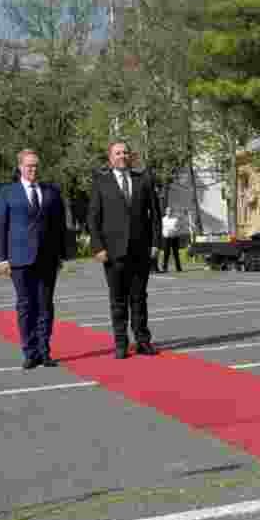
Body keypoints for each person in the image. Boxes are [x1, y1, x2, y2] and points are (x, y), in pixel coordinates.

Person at [0, 149, 69, 370]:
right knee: (26, 306)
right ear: (20, 168)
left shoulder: (51, 191)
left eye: (36, 166)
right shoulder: (8, 192)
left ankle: (45, 351)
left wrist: (61, 254)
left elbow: (59, 226)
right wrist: (1, 258)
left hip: (47, 259)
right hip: (19, 259)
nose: (33, 169)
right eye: (29, 166)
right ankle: (29, 352)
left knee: (45, 306)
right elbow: (0, 225)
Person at [88, 141, 163, 359]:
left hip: (140, 250)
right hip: (112, 252)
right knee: (118, 300)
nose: (122, 156)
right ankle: (121, 343)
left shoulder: (143, 180)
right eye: (118, 153)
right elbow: (93, 218)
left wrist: (156, 243)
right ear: (110, 157)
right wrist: (98, 247)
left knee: (139, 298)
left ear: (130, 156)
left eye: (125, 152)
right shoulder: (101, 182)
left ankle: (142, 341)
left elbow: (155, 215)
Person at [161, 206, 184, 273]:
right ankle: (164, 267)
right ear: (166, 212)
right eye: (168, 211)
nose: (169, 212)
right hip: (166, 238)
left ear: (172, 212)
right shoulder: (163, 219)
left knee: (175, 253)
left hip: (174, 238)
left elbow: (180, 227)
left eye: (170, 211)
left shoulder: (176, 219)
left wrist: (176, 230)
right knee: (166, 253)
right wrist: (163, 233)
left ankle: (178, 268)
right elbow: (161, 228)